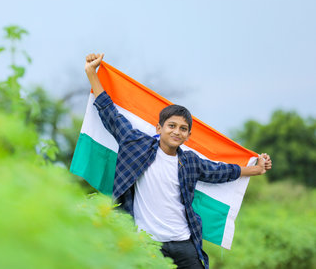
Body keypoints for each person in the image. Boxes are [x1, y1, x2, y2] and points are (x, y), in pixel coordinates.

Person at [84, 53, 272, 269]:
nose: (176, 132)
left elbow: (221, 171)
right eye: (171, 126)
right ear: (159, 128)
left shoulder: (190, 162)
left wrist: (255, 169)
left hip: (185, 244)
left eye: (183, 129)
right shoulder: (136, 144)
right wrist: (91, 73)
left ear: (188, 136)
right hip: (147, 244)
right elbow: (110, 114)